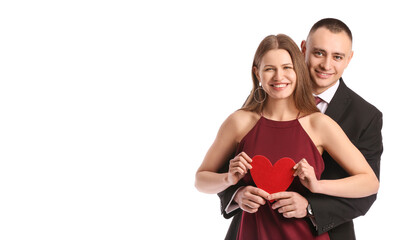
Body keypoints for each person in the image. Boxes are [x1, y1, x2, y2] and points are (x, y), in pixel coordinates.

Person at [195, 33, 379, 239]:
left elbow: (370, 182)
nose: (278, 77)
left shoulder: (318, 124)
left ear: (298, 70)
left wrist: (317, 187)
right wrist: (229, 181)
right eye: (269, 69)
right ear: (257, 73)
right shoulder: (238, 122)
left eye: (286, 68)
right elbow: (200, 180)